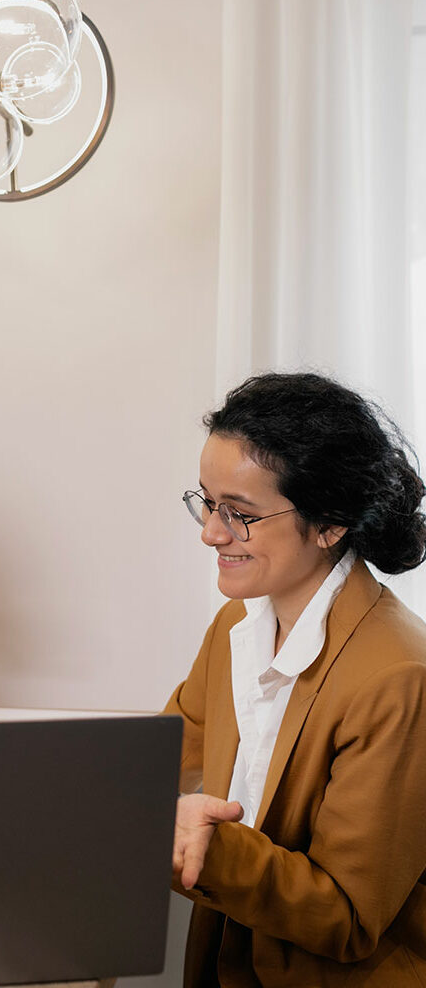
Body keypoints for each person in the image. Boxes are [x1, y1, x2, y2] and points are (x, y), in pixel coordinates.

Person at [165, 372, 426, 986]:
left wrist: (209, 846)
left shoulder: (399, 678)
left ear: (330, 524)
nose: (210, 532)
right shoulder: (235, 627)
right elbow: (154, 765)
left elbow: (347, 917)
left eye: (240, 514)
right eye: (206, 501)